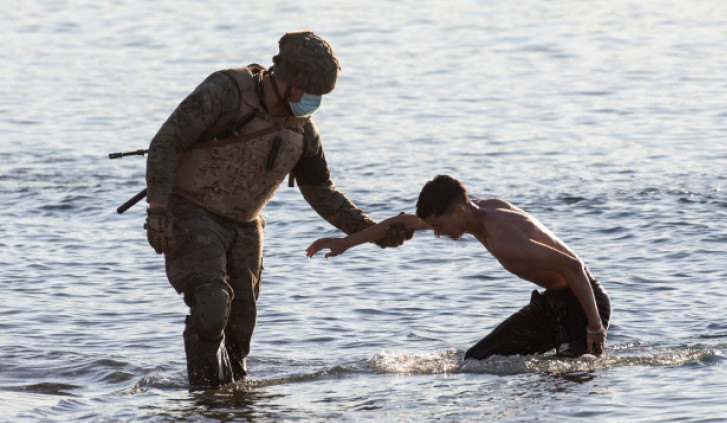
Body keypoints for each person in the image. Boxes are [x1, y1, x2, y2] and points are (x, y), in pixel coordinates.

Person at [144, 31, 414, 388]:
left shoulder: (302, 132)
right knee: (212, 306)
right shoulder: (225, 92)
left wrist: (370, 231)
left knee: (240, 329)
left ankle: (232, 401)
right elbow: (166, 142)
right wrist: (158, 210)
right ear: (286, 81)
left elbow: (322, 193)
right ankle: (207, 396)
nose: (312, 102)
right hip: (192, 211)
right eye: (309, 93)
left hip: (245, 227)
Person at [306, 174, 611, 359]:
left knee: (573, 378)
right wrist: (346, 243)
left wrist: (594, 326)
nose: (436, 233)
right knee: (477, 359)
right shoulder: (475, 211)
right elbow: (399, 222)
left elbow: (573, 266)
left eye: (438, 225)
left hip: (582, 303)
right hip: (554, 303)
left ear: (457, 211)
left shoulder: (503, 236)